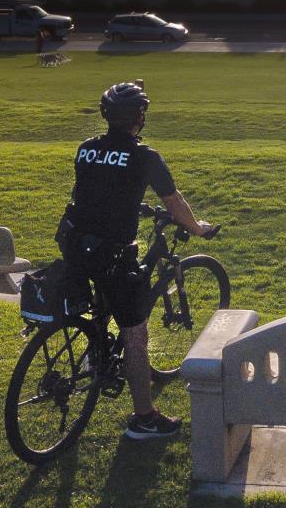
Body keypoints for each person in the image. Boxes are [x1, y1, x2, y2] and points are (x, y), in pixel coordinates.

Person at [58, 79, 217, 441]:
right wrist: (197, 229)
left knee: (98, 310)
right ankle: (144, 419)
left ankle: (95, 354)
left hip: (76, 246)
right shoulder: (145, 156)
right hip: (114, 255)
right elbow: (175, 204)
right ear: (139, 117)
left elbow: (93, 193)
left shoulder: (85, 149)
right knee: (135, 335)